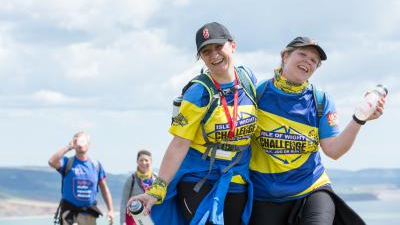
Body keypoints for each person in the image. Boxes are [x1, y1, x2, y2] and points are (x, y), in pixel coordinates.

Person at [128, 22, 258, 225]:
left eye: (218, 47)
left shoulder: (248, 80)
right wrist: (158, 187)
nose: (214, 55)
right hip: (198, 179)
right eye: (206, 51)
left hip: (236, 178)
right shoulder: (197, 93)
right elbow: (179, 144)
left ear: (232, 45)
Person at [249, 37, 386, 225]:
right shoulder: (258, 94)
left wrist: (359, 119)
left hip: (312, 188)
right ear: (285, 56)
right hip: (265, 194)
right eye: (303, 54)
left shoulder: (320, 100)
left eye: (314, 60)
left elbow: (333, 151)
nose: (308, 61)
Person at [49, 131, 114, 225]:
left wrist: (111, 210)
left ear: (88, 144)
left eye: (83, 141)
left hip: (89, 215)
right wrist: (68, 147)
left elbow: (105, 189)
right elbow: (51, 162)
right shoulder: (67, 162)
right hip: (70, 214)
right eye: (77, 141)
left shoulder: (96, 165)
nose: (81, 144)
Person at [120, 150, 157, 225]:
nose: (144, 163)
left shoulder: (156, 178)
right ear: (137, 162)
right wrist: (122, 221)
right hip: (134, 219)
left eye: (146, 160)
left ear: (151, 161)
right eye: (141, 160)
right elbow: (124, 202)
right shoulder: (131, 180)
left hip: (153, 217)